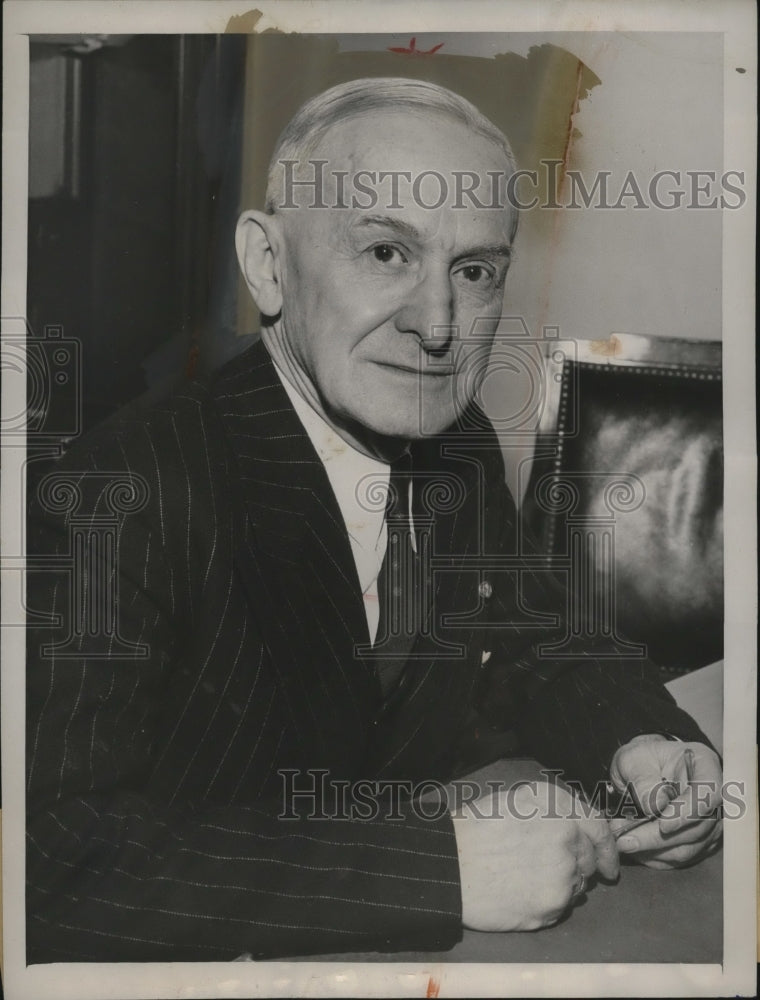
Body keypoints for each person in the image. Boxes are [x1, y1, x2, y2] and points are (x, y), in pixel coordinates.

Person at [25, 77, 722, 963]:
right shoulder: (121, 492)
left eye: (473, 271)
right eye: (386, 253)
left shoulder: (456, 443)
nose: (438, 325)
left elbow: (534, 641)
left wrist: (644, 742)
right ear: (268, 264)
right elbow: (49, 860)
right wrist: (438, 870)